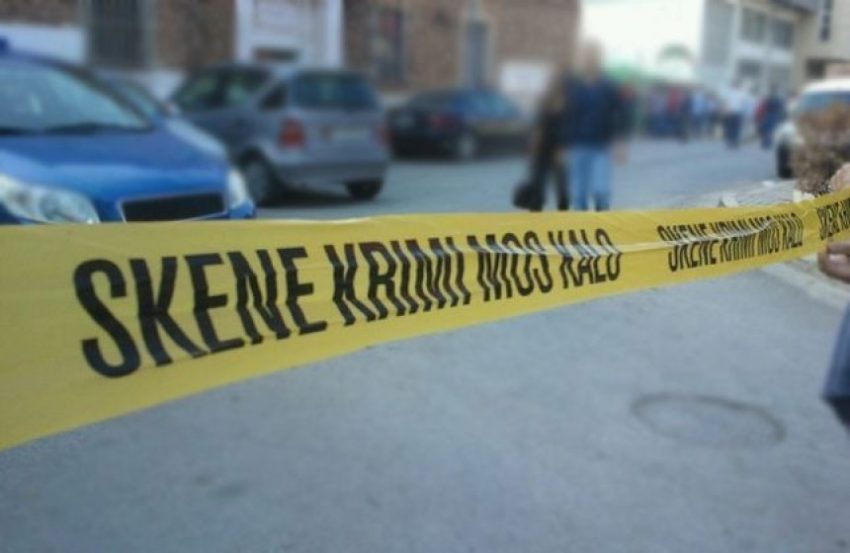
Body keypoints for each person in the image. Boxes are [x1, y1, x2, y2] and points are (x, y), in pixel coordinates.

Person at [560, 40, 629, 211]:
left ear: (599, 58)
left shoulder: (608, 85)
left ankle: (602, 222)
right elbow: (565, 116)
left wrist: (620, 142)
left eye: (593, 55)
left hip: (601, 146)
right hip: (577, 146)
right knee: (578, 196)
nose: (589, 59)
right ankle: (582, 226)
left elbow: (621, 113)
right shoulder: (571, 85)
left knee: (601, 192)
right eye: (586, 55)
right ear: (581, 58)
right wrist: (561, 145)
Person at [526, 75, 569, 211]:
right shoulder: (544, 102)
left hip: (558, 148)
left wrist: (563, 148)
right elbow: (538, 126)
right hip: (543, 148)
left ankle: (563, 214)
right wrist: (533, 147)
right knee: (538, 183)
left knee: (561, 186)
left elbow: (569, 128)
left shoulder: (567, 103)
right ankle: (536, 212)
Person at [755, 85, 786, 149]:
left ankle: (766, 142)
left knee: (768, 129)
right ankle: (767, 142)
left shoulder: (774, 97)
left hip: (771, 114)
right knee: (768, 129)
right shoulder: (776, 97)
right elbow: (781, 108)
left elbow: (780, 107)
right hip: (771, 114)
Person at [721, 79, 748, 149]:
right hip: (735, 112)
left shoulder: (733, 93)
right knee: (734, 128)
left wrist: (725, 111)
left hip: (734, 112)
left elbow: (727, 103)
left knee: (733, 127)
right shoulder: (740, 93)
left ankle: (732, 141)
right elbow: (743, 104)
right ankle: (733, 141)